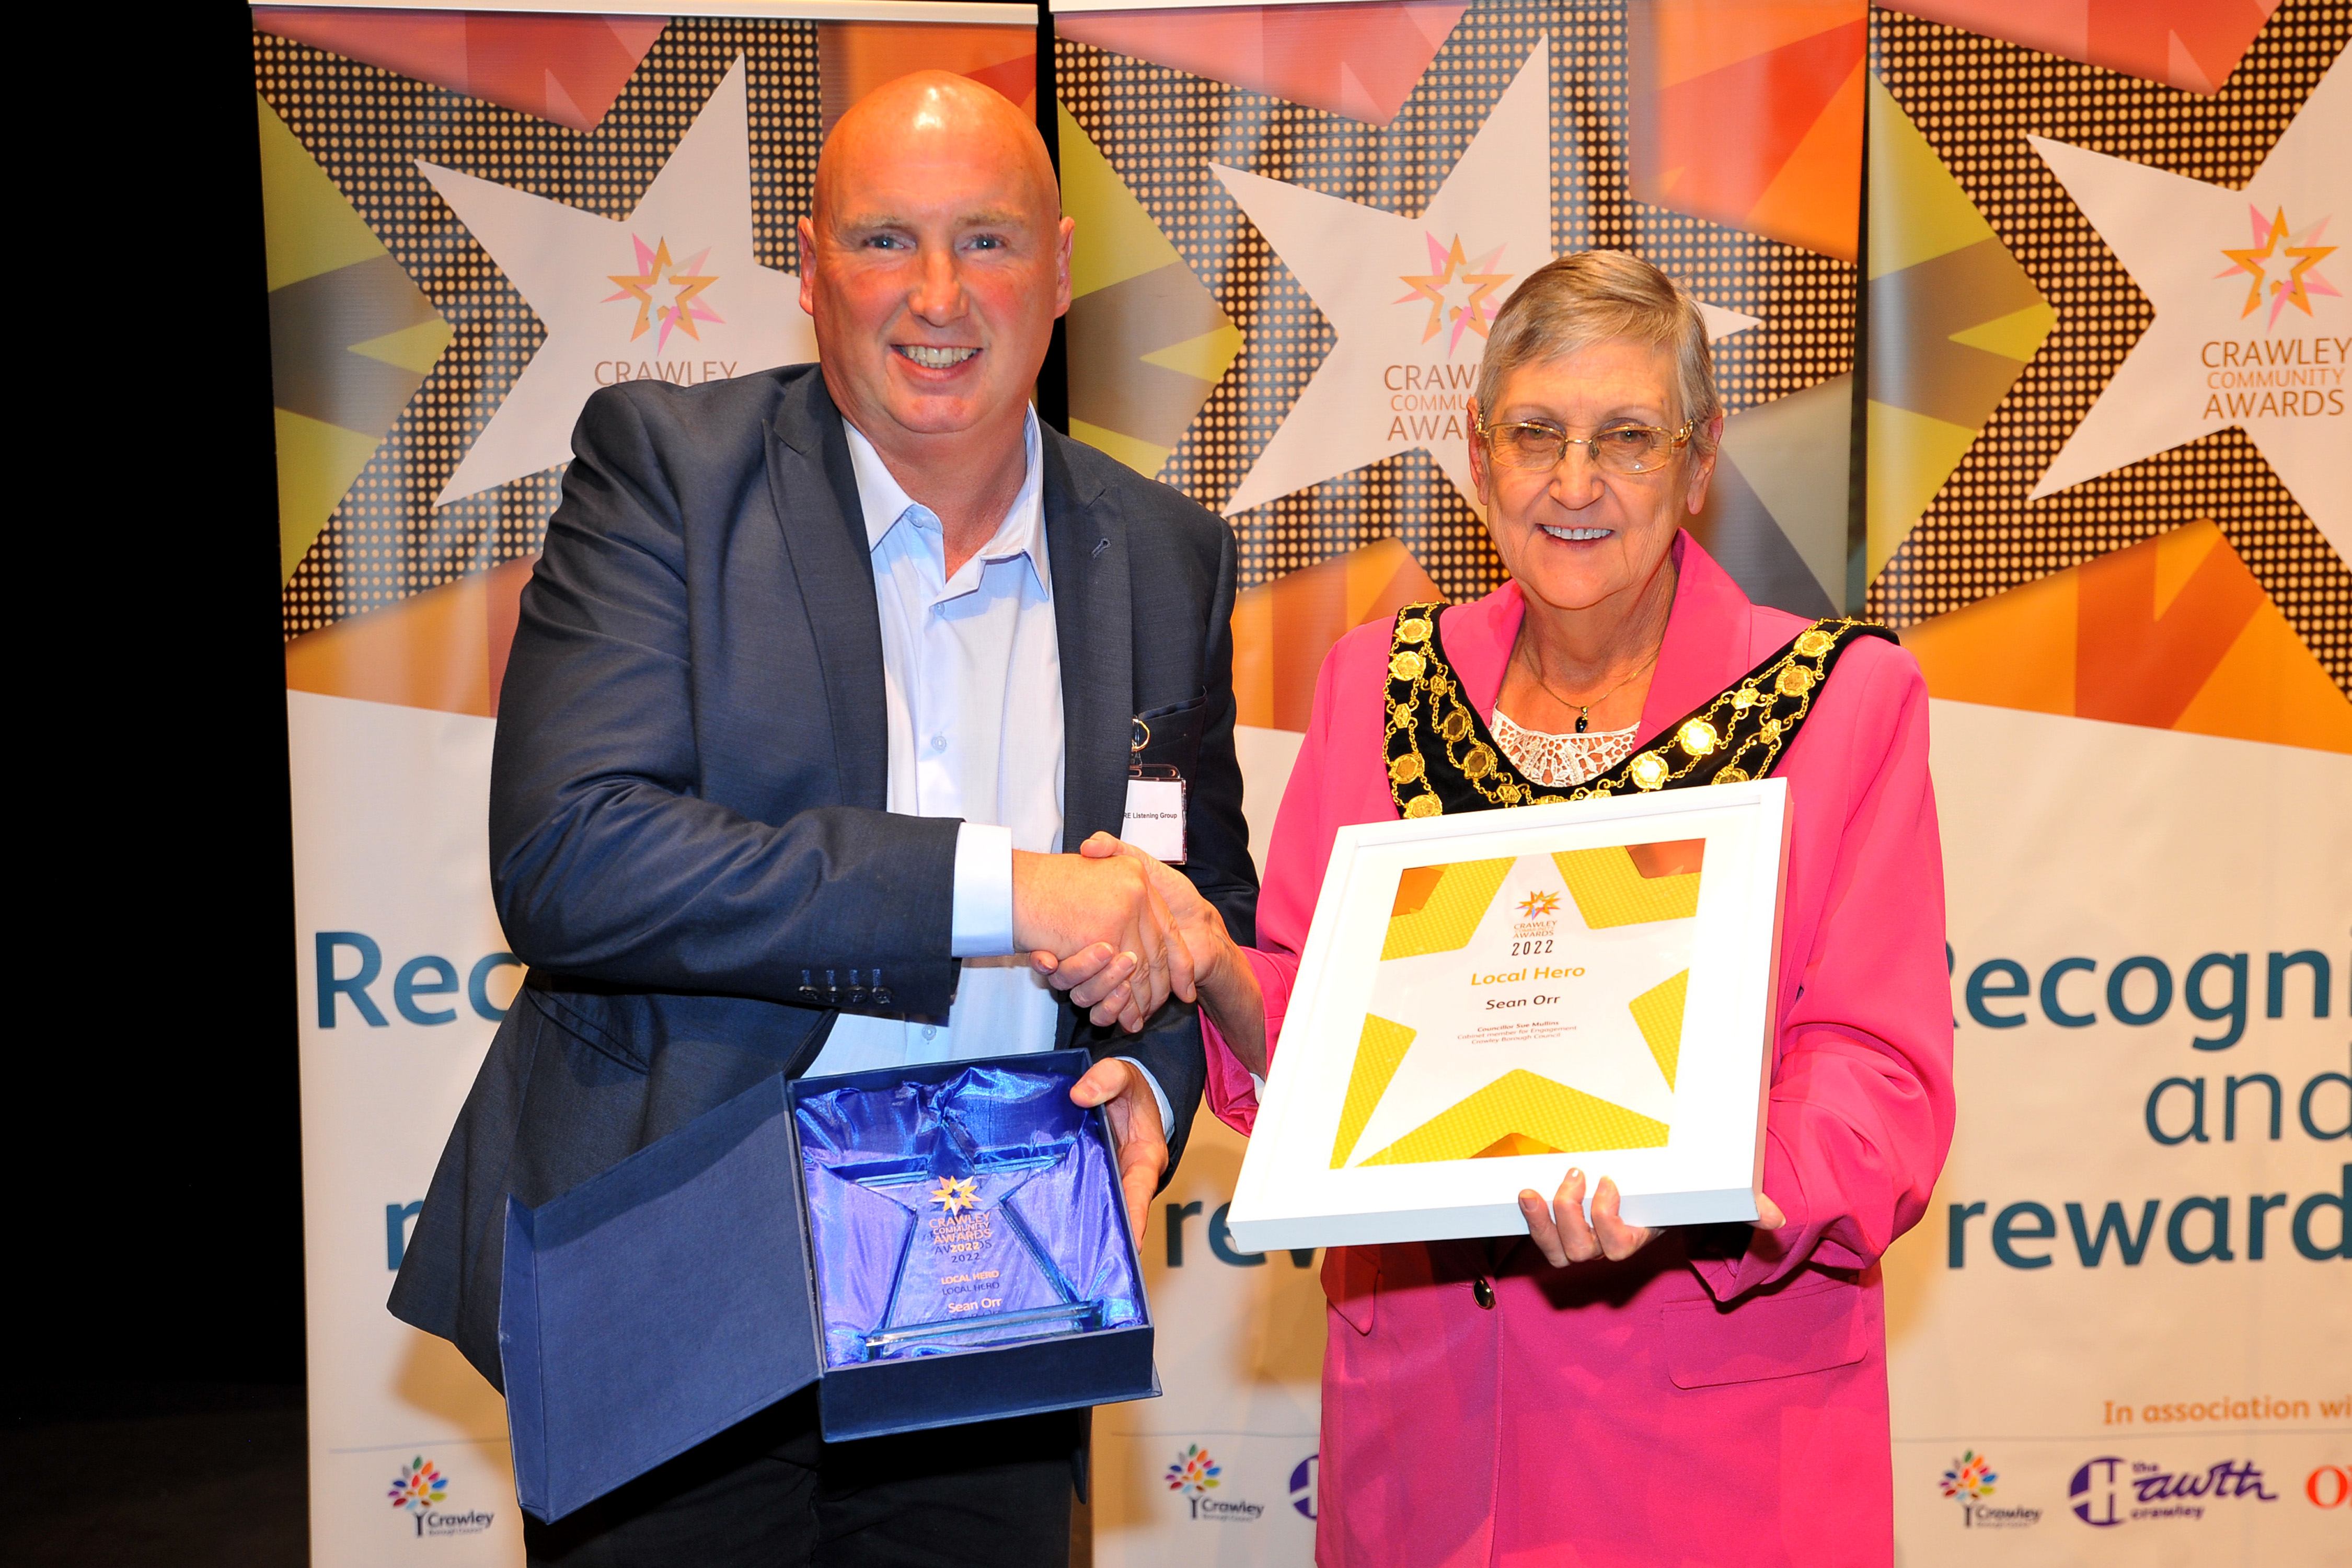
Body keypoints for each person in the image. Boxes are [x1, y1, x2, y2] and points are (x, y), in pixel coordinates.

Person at [388, 72, 1256, 1567]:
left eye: (987, 241)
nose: (939, 295)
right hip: (681, 1280)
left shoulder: (1169, 553)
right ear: (809, 267)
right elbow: (569, 854)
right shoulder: (666, 472)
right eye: (884, 240)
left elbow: (1194, 895)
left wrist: (1156, 1084)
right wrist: (1005, 891)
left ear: (1060, 269)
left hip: (995, 1297)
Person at [1046, 251, 1954, 1566]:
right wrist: (1215, 963)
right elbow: (1329, 1025)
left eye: (1628, 437)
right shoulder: (1378, 682)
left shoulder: (1844, 702)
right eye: (1536, 433)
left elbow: (1881, 1077)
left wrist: (1700, 1188)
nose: (1576, 482)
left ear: (1699, 462)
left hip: (1710, 1453)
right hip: (1424, 1450)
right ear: (1479, 458)